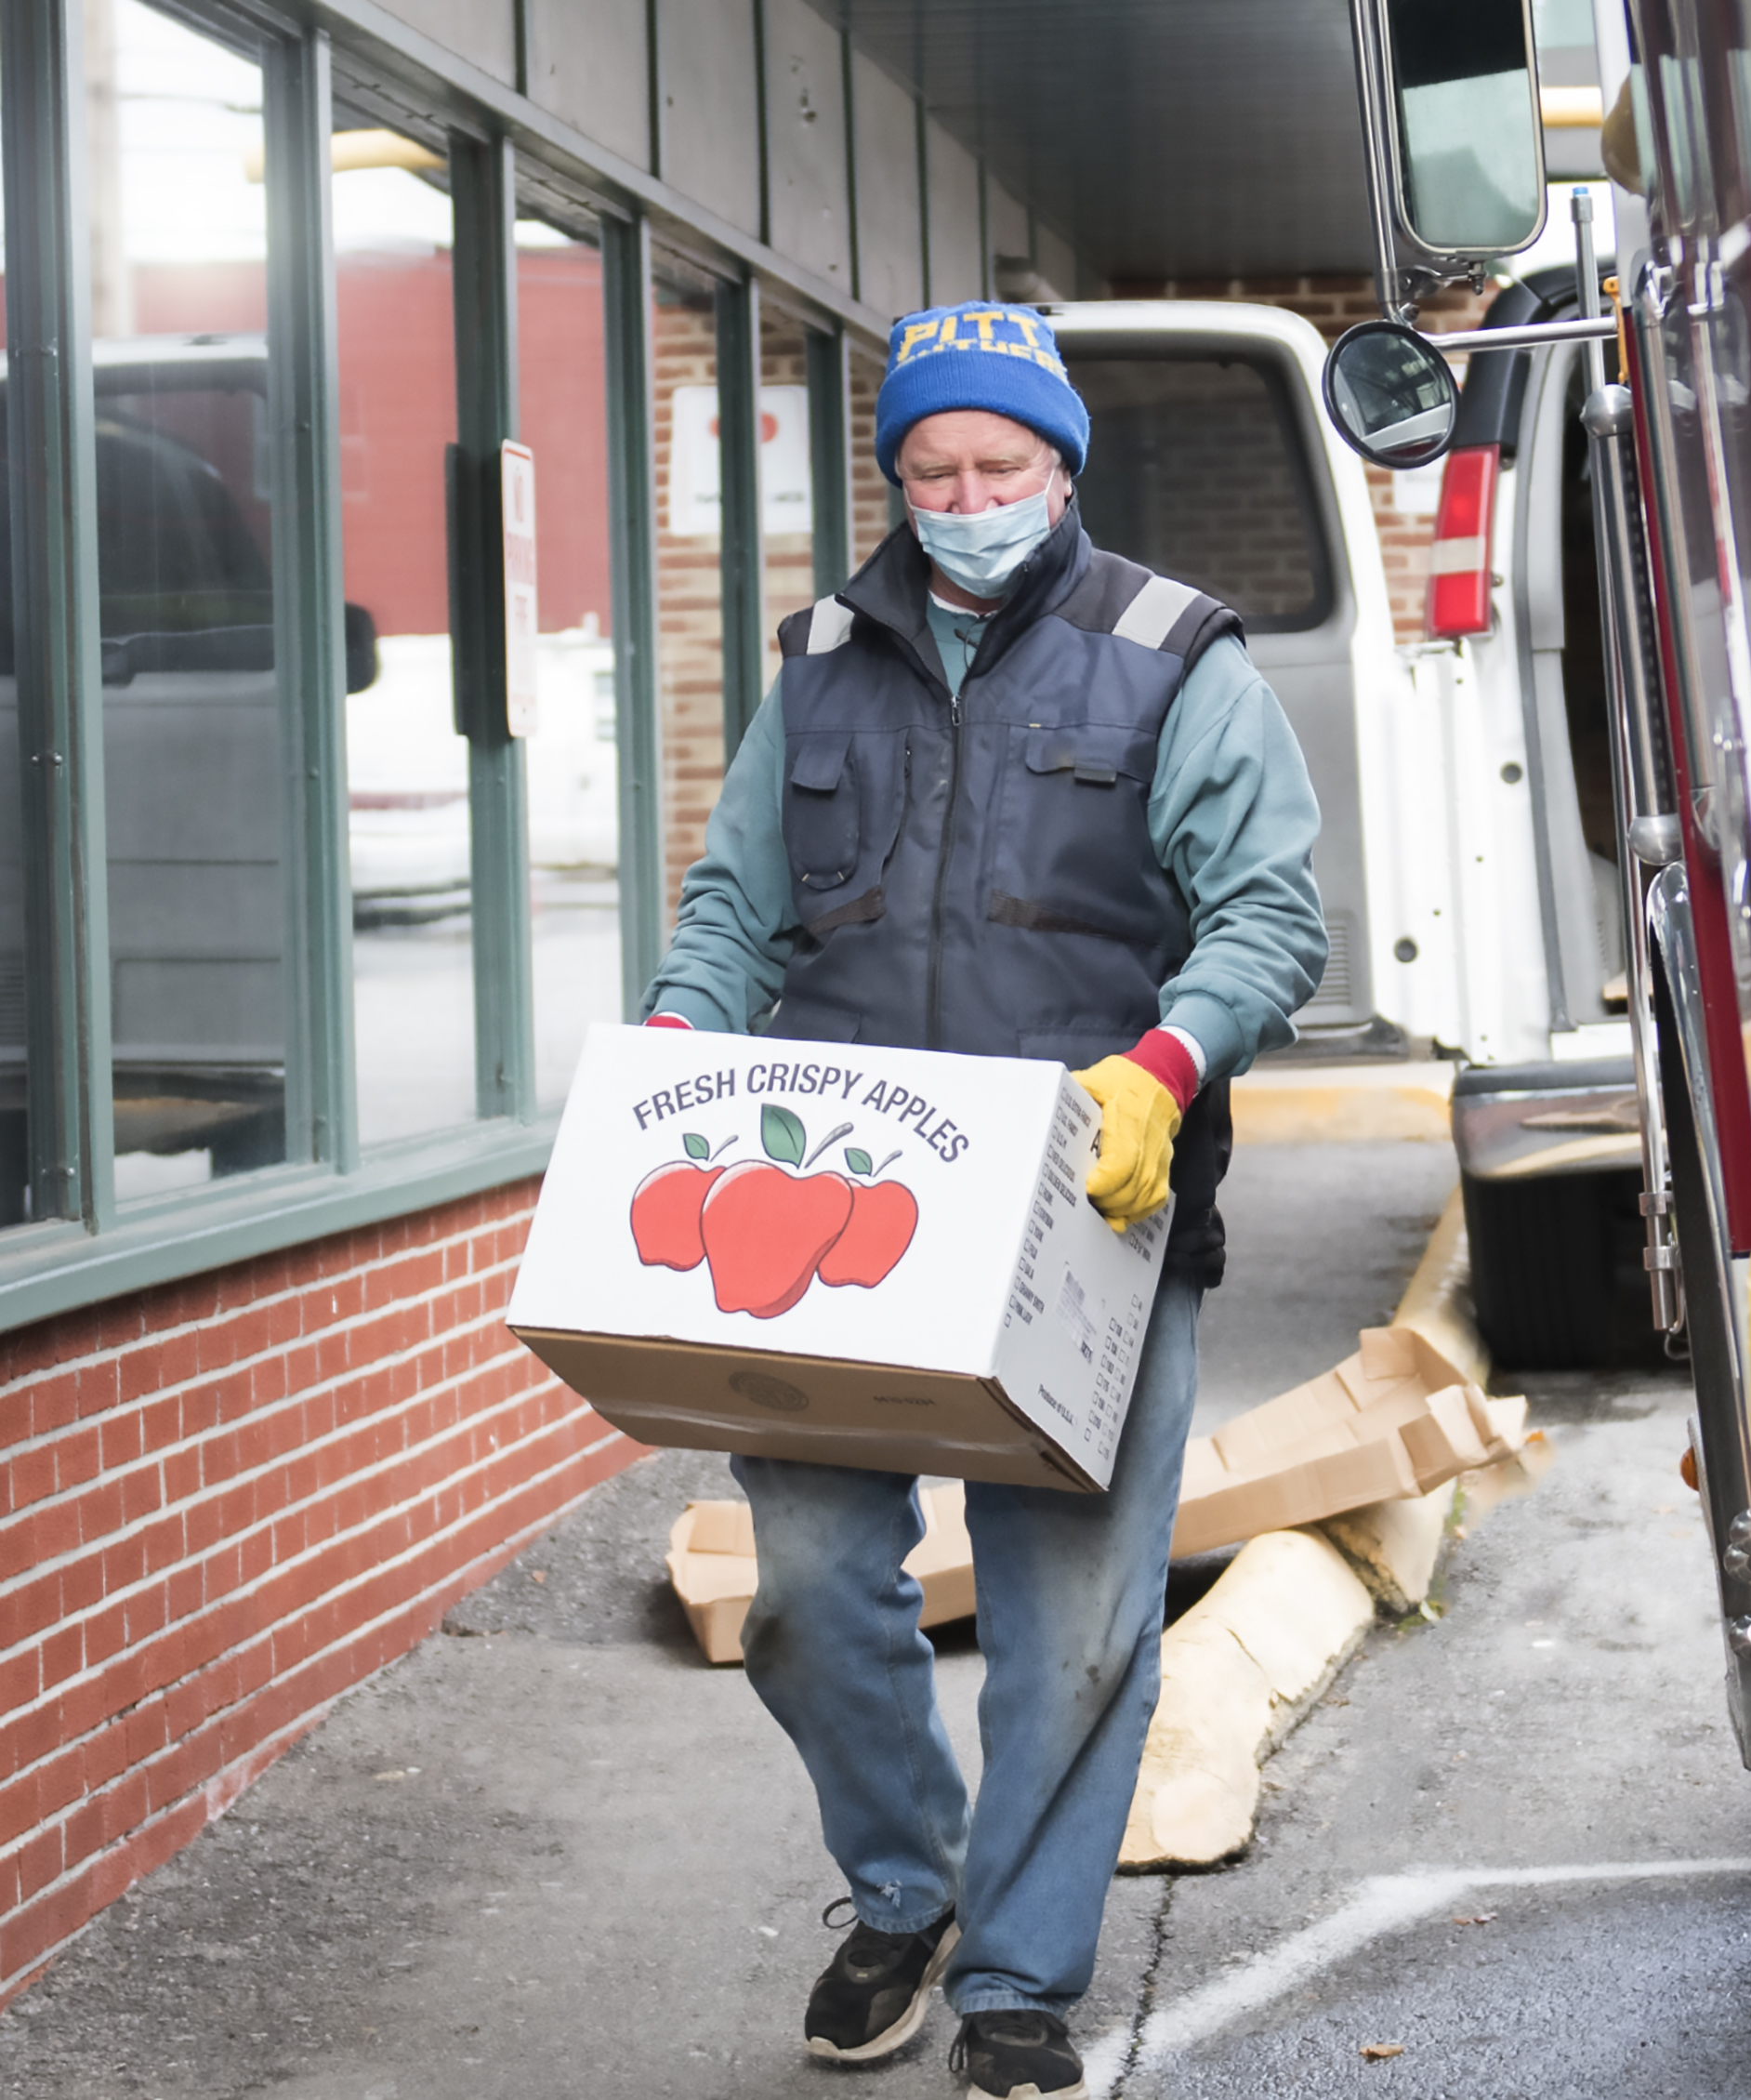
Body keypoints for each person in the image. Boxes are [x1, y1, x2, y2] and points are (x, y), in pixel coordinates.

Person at [644, 298, 1331, 2099]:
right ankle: (904, 1884)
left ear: (1062, 467)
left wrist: (1165, 1069)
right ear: (895, 476)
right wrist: (670, 1055)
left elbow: (1270, 913)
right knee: (798, 1580)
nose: (965, 496)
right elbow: (738, 911)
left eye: (1000, 466)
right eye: (933, 468)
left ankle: (1019, 1974)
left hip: (1084, 1214)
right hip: (840, 1222)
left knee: (1079, 1622)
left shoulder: (1175, 656)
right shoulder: (819, 658)